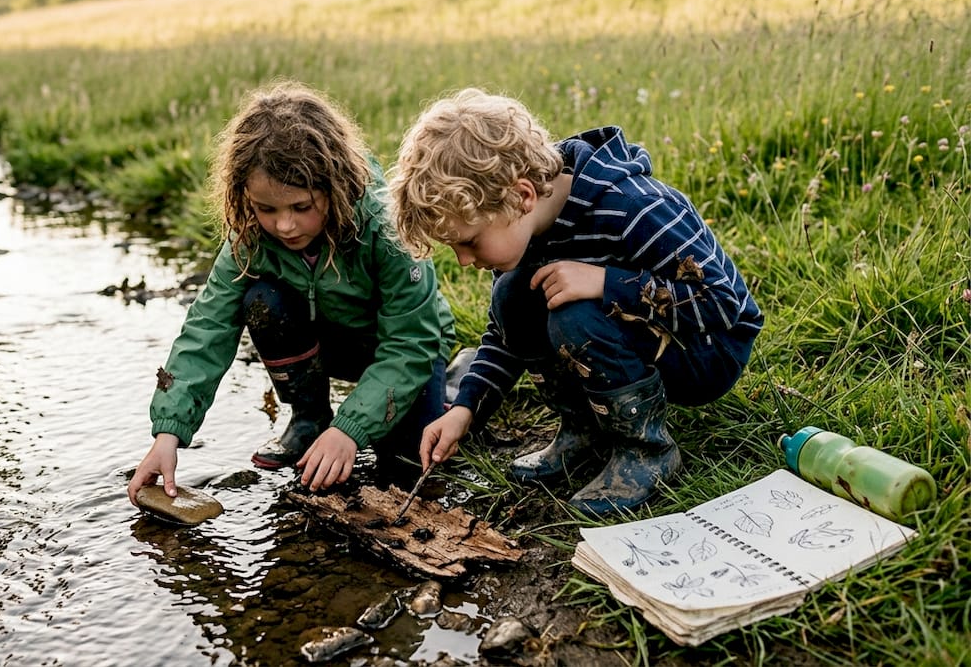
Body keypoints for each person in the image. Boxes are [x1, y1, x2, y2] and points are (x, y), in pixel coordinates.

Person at [387, 88, 763, 517]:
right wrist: (466, 408)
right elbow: (504, 333)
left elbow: (720, 302)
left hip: (706, 353)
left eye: (469, 242)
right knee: (513, 295)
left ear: (522, 195)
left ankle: (646, 449)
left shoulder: (632, 207)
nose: (465, 260)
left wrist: (607, 283)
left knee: (574, 313)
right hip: (640, 334)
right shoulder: (522, 226)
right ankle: (585, 428)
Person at [127, 81, 455, 506]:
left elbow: (411, 340)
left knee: (407, 469)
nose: (284, 226)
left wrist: (350, 430)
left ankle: (460, 381)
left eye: (301, 207)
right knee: (260, 298)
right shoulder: (248, 237)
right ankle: (310, 419)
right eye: (268, 209)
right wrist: (168, 433)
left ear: (333, 186)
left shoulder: (386, 226)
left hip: (407, 348)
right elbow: (207, 328)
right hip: (329, 344)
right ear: (246, 197)